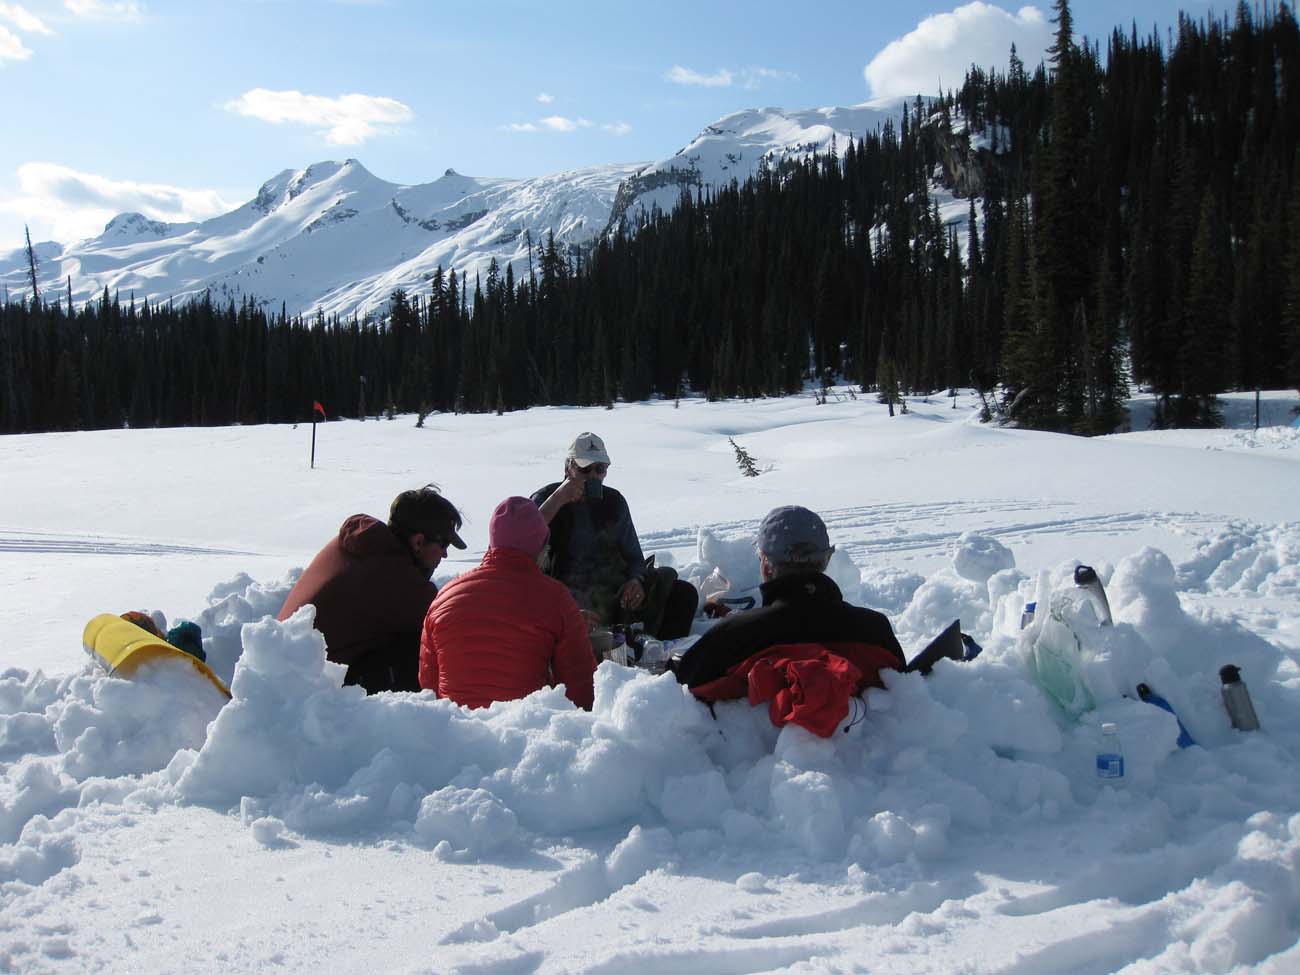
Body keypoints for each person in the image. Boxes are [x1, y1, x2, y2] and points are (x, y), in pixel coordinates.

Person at [673, 505, 905, 693]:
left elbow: (680, 693)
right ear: (825, 561)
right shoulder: (876, 631)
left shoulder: (731, 638)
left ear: (766, 566)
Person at [277, 485, 465, 693]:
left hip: (277, 670)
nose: (445, 554)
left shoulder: (356, 543)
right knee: (427, 646)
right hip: (315, 694)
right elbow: (449, 625)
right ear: (418, 542)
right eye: (444, 544)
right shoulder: (398, 580)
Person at [420, 496, 595, 710]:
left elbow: (429, 687)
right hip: (524, 726)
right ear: (541, 547)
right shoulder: (556, 598)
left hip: (459, 727)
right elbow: (581, 688)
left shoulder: (444, 598)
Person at [532, 432, 697, 639]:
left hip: (613, 596)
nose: (593, 476)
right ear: (568, 468)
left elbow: (634, 557)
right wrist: (558, 499)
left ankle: (657, 651)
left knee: (683, 594)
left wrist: (636, 581)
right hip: (563, 602)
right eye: (584, 469)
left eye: (600, 469)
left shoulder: (613, 501)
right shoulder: (545, 500)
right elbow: (521, 547)